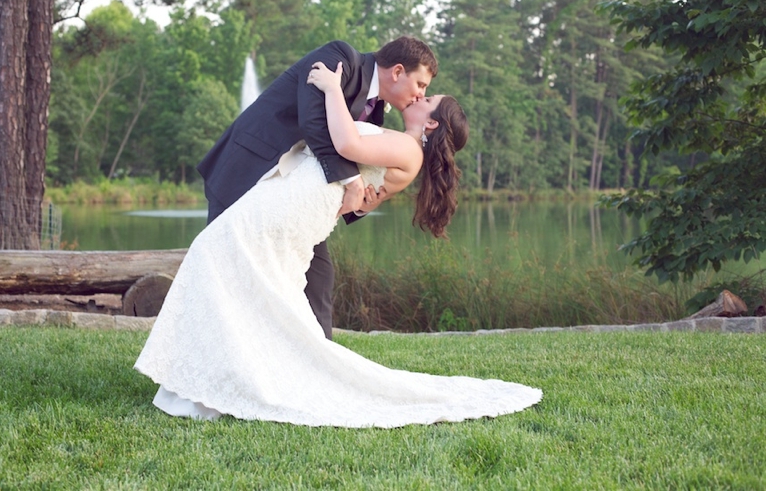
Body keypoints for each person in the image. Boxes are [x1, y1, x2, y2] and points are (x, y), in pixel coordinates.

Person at [133, 60, 542, 427]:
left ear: (431, 123)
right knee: (248, 278)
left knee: (217, 255)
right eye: (422, 86)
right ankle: (226, 379)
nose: (420, 94)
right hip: (293, 197)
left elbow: (347, 146)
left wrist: (331, 90)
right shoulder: (401, 142)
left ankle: (216, 385)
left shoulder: (406, 146)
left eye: (428, 96)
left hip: (297, 204)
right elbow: (363, 193)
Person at [197, 36, 437, 340]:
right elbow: (313, 121)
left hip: (288, 197)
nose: (420, 95)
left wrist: (366, 201)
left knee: (318, 276)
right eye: (421, 84)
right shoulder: (340, 58)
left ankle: (316, 361)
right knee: (222, 267)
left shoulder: (375, 111)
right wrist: (352, 181)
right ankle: (211, 351)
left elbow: (357, 161)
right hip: (246, 169)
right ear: (398, 71)